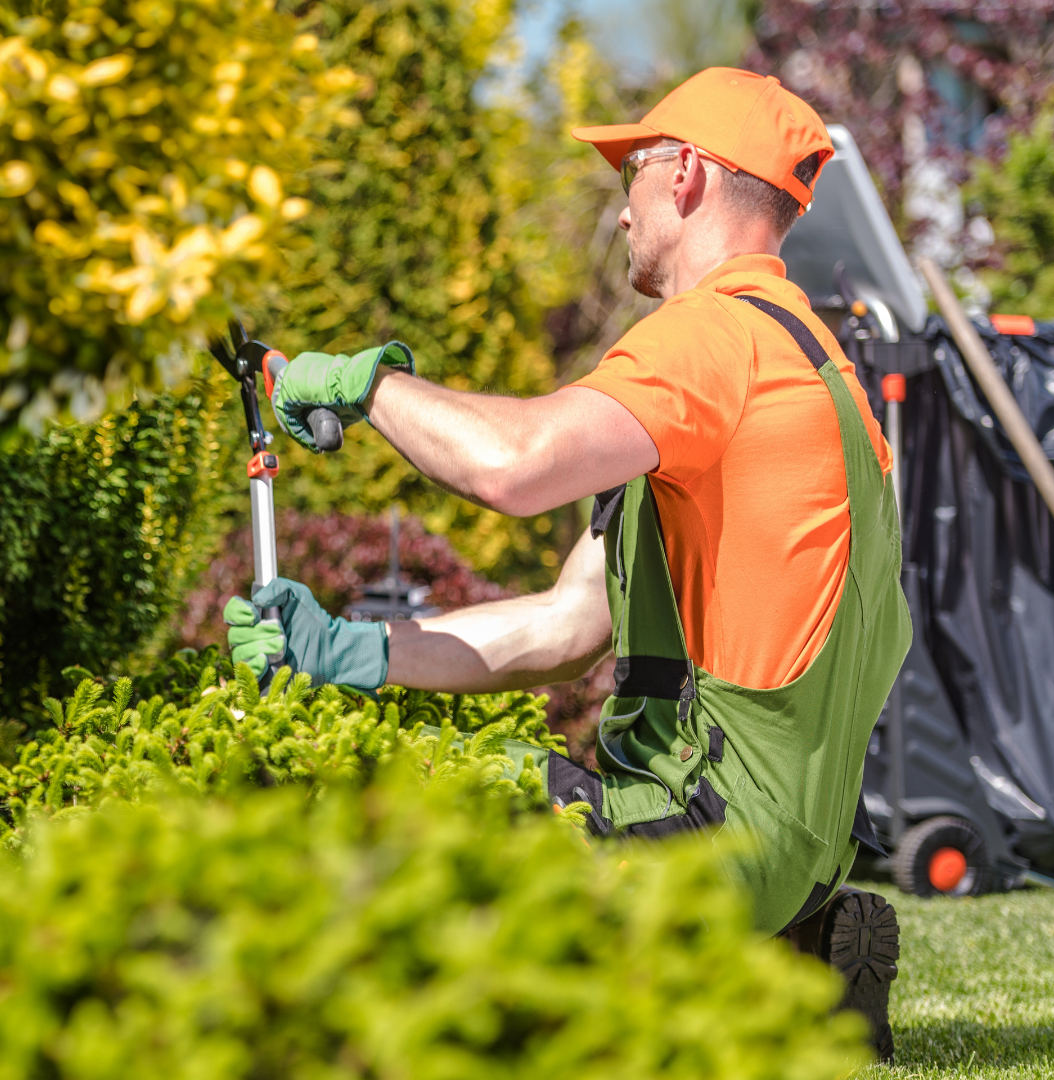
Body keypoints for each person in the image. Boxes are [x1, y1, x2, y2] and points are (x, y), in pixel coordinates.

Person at [223, 68, 910, 1058]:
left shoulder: (713, 339)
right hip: (791, 845)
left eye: (631, 171)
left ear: (688, 178)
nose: (620, 209)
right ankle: (796, 954)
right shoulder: (817, 362)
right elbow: (564, 626)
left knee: (416, 802)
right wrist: (341, 645)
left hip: (703, 833)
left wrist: (363, 386)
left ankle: (697, 974)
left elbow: (511, 467)